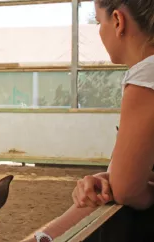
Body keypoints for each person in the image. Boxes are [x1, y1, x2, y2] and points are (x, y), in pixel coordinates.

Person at [23, 0, 154, 241]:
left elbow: (127, 190)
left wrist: (135, 187)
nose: (99, 31)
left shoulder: (146, 74)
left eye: (98, 21)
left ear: (118, 21)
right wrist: (114, 177)